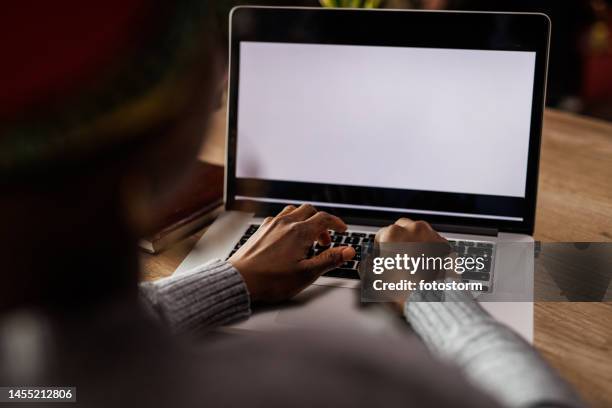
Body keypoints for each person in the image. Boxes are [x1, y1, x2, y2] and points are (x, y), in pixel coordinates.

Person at [1, 1, 581, 407]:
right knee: (579, 276)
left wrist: (233, 279)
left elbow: (69, 373)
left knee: (579, 273)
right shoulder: (349, 384)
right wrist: (426, 285)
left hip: (246, 277)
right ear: (178, 122)